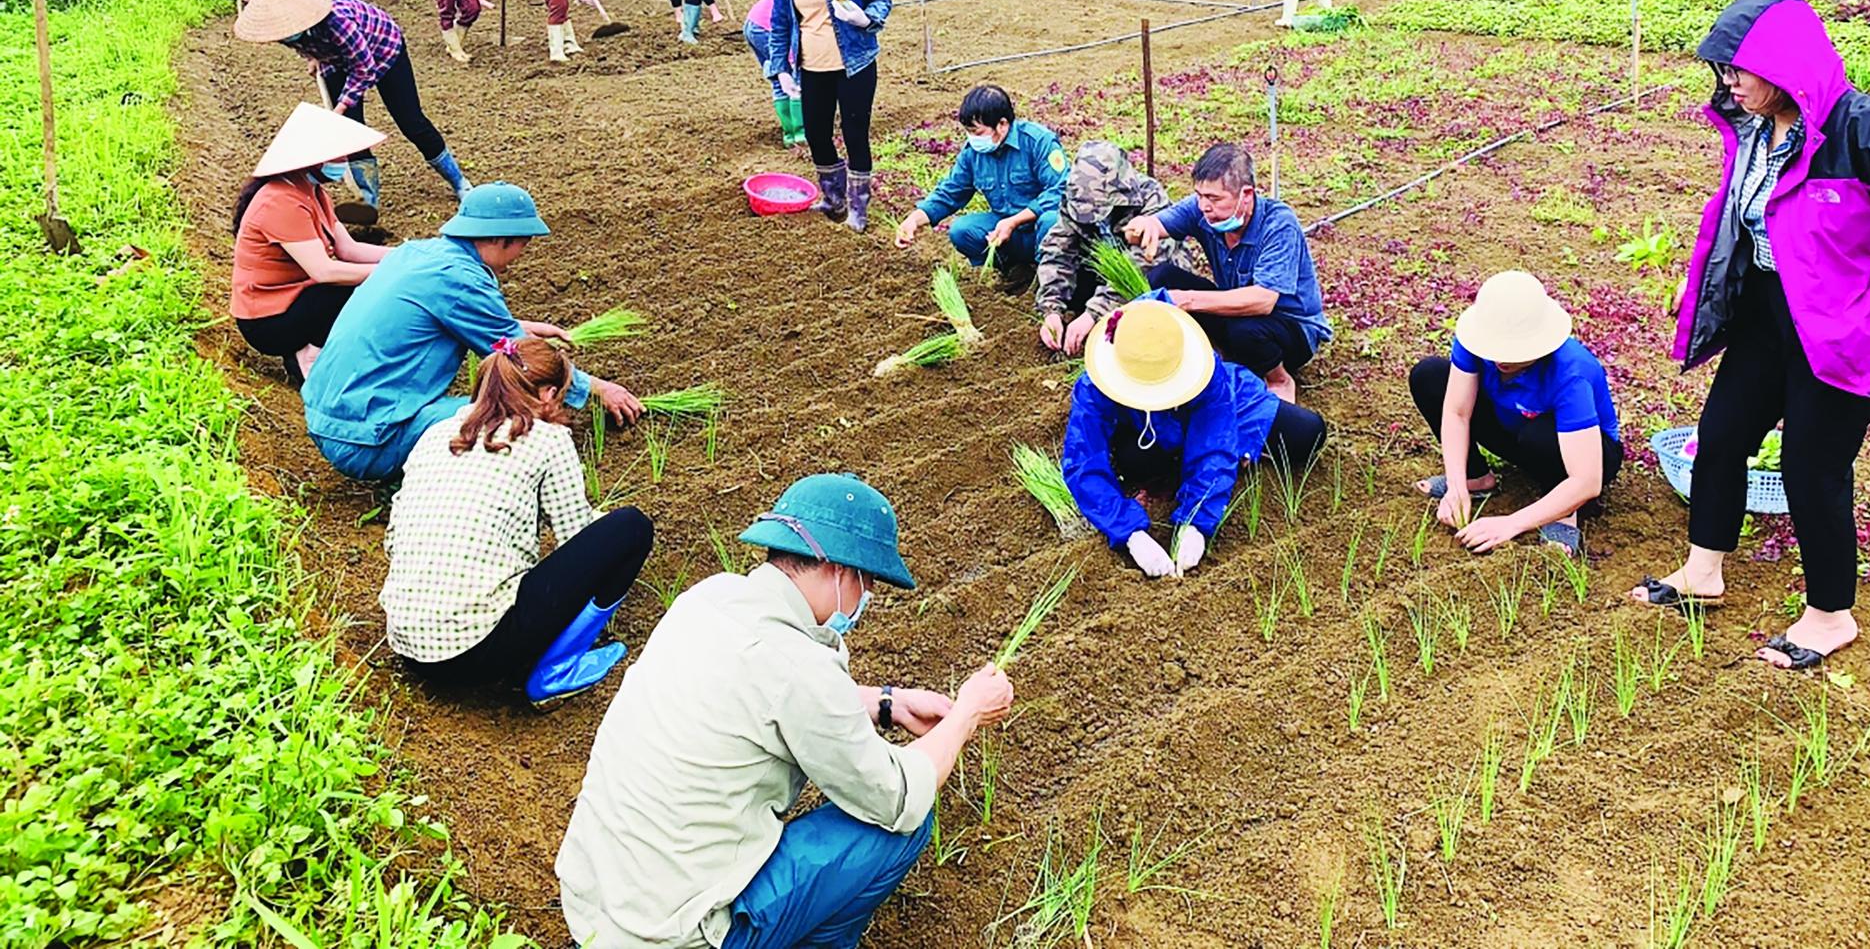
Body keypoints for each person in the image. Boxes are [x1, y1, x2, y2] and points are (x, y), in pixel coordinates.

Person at [1631, 0, 1870, 669]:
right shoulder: (1751, 128)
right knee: (1721, 437)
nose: (1728, 84)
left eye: (1740, 69)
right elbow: (1745, 221)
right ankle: (1703, 571)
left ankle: (1830, 615)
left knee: (1813, 464)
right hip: (1771, 312)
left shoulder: (1864, 132)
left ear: (1787, 66)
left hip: (1847, 325)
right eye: (1721, 71)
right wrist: (1706, 280)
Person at [556, 472, 1015, 949]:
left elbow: (763, 694)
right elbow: (897, 796)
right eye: (868, 582)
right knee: (902, 828)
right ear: (840, 571)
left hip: (594, 906)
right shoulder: (801, 667)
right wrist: (967, 714)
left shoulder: (708, 599)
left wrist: (888, 703)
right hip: (672, 936)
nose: (867, 599)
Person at [301, 182, 644, 480]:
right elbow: (518, 357)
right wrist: (600, 390)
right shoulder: (461, 280)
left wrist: (518, 326)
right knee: (517, 418)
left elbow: (441, 316)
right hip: (369, 439)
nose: (523, 253)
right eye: (524, 242)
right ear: (499, 238)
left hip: (326, 420)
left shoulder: (417, 253)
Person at [381, 337, 656, 705]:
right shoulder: (548, 438)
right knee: (630, 528)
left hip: (410, 648)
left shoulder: (436, 434)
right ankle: (555, 669)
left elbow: (393, 539)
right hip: (478, 653)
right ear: (547, 394)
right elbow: (573, 534)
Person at [1061, 297, 1325, 578]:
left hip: (1217, 406)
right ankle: (1175, 469)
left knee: (1306, 432)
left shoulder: (1205, 371)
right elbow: (1083, 462)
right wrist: (1130, 534)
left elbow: (1215, 445)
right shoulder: (1096, 383)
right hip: (1145, 431)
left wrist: (1197, 521)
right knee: (1137, 461)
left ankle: (1207, 466)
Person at [1406, 271, 1622, 557]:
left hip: (1584, 456)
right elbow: (1457, 412)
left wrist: (1510, 524)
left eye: (1514, 350)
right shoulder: (1475, 343)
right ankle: (1476, 479)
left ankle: (1564, 512)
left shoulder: (1572, 372)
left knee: (1540, 434)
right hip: (1515, 427)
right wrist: (1456, 484)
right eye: (1496, 347)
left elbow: (1587, 480)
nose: (1501, 359)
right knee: (1430, 376)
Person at [233, 0, 472, 207]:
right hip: (336, 59)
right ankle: (368, 201)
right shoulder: (284, 27)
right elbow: (303, 43)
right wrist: (315, 57)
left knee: (410, 121)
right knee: (350, 130)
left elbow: (363, 69)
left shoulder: (336, 20)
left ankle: (460, 182)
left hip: (383, 49)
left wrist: (340, 107)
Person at [1124, 143, 1330, 402]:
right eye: (1199, 195)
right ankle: (1221, 354)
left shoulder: (1279, 224)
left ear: (1246, 195)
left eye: (1214, 198)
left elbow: (1264, 301)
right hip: (1238, 310)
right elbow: (1156, 224)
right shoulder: (1202, 209)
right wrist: (1144, 225)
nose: (1203, 206)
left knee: (1245, 331)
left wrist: (1187, 300)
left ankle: (1278, 378)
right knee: (1162, 277)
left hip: (1289, 328)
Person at [231, 103, 391, 384]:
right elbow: (324, 271)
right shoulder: (280, 201)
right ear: (311, 158)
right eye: (336, 155)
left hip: (296, 301)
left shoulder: (312, 192)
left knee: (360, 286)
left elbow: (348, 249)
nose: (343, 161)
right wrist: (389, 272)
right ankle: (307, 356)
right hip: (268, 321)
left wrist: (410, 255)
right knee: (351, 292)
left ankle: (326, 351)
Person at [765, 0, 892, 234]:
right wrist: (779, 68)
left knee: (854, 134)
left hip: (854, 63)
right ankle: (834, 199)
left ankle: (858, 208)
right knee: (817, 135)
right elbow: (779, 22)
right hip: (812, 66)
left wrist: (866, 19)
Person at [894, 85, 1068, 290]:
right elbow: (950, 192)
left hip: (1040, 228)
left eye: (977, 131)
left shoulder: (1038, 141)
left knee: (1053, 220)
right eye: (968, 132)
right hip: (1007, 234)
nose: (972, 138)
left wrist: (1014, 221)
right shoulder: (973, 154)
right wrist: (915, 219)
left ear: (1002, 124)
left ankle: (1050, 282)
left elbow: (1061, 189)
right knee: (962, 230)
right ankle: (1016, 271)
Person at [1036, 140, 1193, 356]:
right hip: (1103, 277)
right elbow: (1058, 252)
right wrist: (1051, 309)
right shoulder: (1075, 199)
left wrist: (1094, 313)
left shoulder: (1149, 198)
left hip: (1153, 278)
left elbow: (1143, 264)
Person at [744, 0, 803, 146]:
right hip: (769, 28)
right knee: (796, 76)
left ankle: (790, 136)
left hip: (755, 23)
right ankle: (801, 134)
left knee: (779, 78)